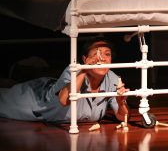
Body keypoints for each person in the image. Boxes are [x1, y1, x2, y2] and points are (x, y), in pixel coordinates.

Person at [0, 36, 130, 123]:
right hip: (34, 99)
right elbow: (64, 100)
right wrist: (85, 69)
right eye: (96, 54)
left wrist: (121, 103)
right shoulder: (74, 70)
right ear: (85, 59)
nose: (102, 58)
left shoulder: (113, 78)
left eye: (107, 54)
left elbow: (122, 117)